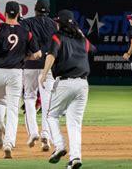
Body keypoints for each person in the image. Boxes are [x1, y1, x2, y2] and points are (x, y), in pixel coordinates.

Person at [0, 1, 41, 159]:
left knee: (0, 102)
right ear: (19, 14)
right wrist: (26, 56)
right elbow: (38, 54)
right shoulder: (26, 31)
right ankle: (8, 143)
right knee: (13, 108)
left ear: (6, 13)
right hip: (15, 72)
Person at [40, 9, 96, 169]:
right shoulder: (82, 40)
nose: (56, 23)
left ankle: (59, 145)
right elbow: (93, 50)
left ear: (61, 24)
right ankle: (76, 157)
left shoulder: (57, 37)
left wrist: (43, 74)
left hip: (65, 82)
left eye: (58, 21)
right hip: (83, 85)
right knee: (74, 124)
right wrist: (80, 35)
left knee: (51, 116)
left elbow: (51, 55)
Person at [20, 0, 57, 151]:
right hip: (47, 66)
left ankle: (33, 132)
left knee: (29, 97)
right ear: (48, 10)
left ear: (35, 9)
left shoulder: (27, 22)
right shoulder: (54, 25)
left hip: (30, 64)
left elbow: (23, 41)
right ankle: (46, 137)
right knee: (47, 101)